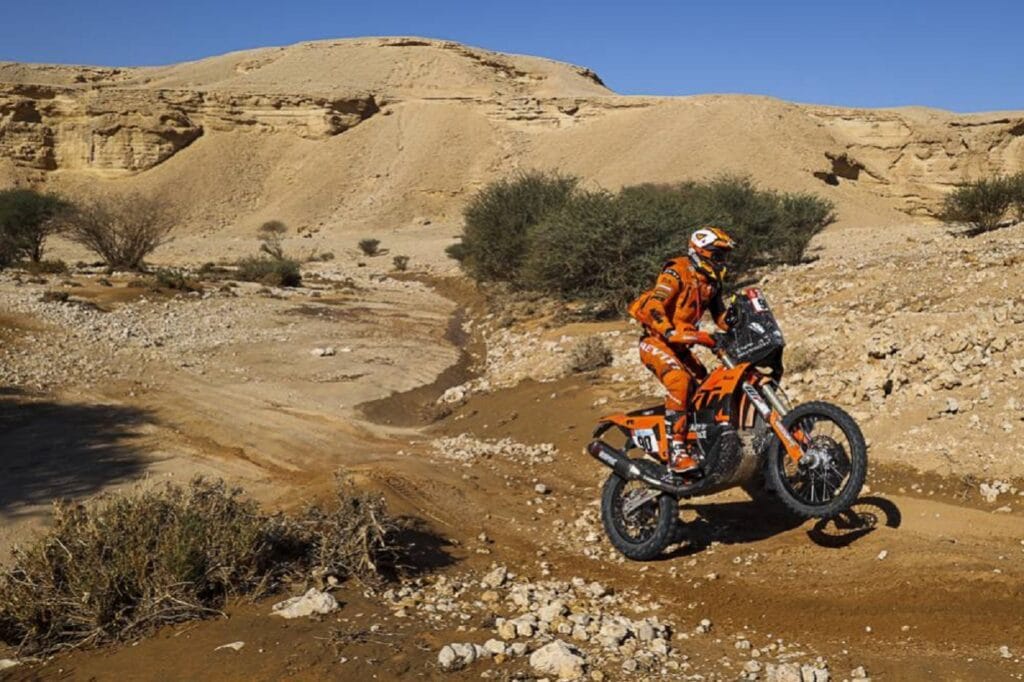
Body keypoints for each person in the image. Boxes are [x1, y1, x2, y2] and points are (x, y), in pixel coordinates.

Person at [627, 227, 737, 474]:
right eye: (718, 255)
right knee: (679, 381)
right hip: (657, 341)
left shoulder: (711, 284)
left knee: (705, 389)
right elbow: (656, 302)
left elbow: (721, 318)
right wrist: (667, 330)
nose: (722, 261)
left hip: (682, 346)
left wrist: (741, 319)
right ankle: (677, 451)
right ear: (701, 252)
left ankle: (700, 444)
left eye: (724, 257)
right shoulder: (676, 271)